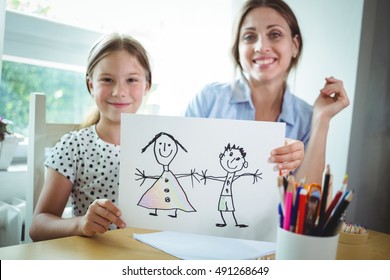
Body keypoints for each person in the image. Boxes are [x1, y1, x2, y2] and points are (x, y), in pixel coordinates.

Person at [184, 0, 349, 184]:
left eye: (275, 34)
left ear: (294, 45)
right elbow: (181, 168)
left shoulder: (307, 118)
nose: (261, 46)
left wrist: (322, 120)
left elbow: (308, 201)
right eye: (249, 37)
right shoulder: (208, 100)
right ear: (237, 48)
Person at [29, 33, 152, 241]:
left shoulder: (161, 146)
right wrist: (81, 223)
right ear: (91, 85)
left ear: (146, 86)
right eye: (107, 80)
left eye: (131, 80)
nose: (119, 91)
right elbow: (38, 226)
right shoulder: (74, 146)